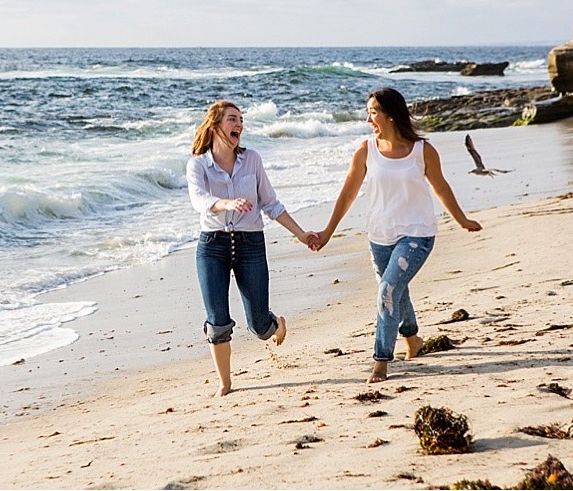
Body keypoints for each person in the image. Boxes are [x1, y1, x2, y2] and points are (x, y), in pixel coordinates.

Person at [310, 88, 482, 384]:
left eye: (373, 112)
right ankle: (413, 338)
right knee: (395, 291)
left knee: (387, 290)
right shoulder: (366, 150)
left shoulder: (422, 150)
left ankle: (380, 361)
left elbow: (441, 188)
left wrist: (461, 219)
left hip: (418, 233)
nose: (368, 118)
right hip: (379, 235)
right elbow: (349, 193)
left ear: (390, 114)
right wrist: (327, 232)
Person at [186, 100, 317, 397]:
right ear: (215, 125)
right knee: (217, 322)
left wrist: (300, 234)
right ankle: (226, 384)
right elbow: (199, 200)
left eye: (241, 120)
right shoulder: (198, 164)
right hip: (212, 246)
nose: (239, 125)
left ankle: (276, 325)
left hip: (250, 245)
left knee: (259, 326)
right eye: (233, 119)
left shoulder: (253, 160)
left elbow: (270, 203)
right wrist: (226, 204)